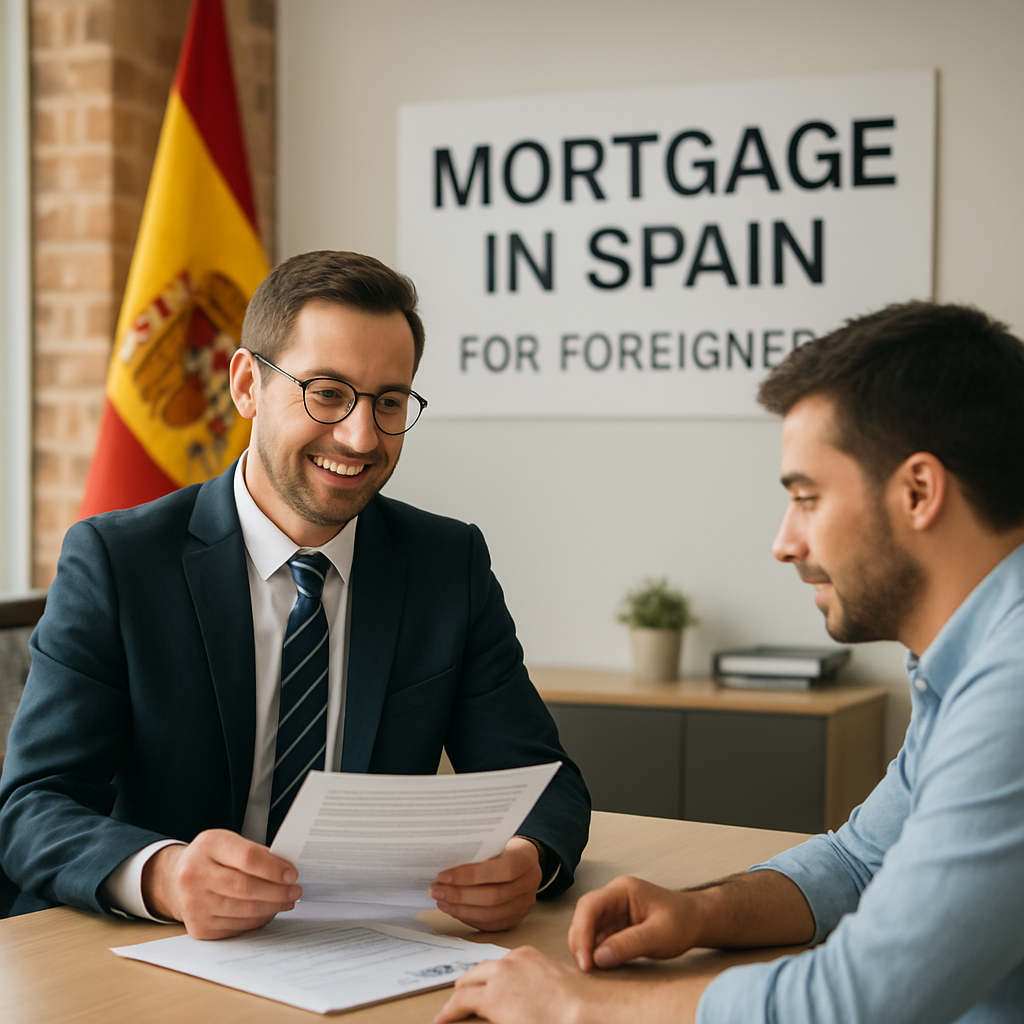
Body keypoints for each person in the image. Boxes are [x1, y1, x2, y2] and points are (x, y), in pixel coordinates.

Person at [436, 300, 1024, 1024]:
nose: (784, 542)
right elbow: (859, 862)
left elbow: (858, 1001)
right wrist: (700, 913)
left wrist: (580, 1006)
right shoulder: (972, 661)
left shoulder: (1012, 688)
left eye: (807, 498)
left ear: (918, 492)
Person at [0, 250, 590, 939]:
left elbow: (545, 780)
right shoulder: (117, 562)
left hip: (361, 949)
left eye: (389, 402)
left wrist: (527, 860)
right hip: (155, 948)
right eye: (327, 393)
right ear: (247, 385)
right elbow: (33, 806)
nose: (361, 437)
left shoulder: (446, 565)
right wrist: (164, 875)